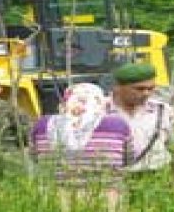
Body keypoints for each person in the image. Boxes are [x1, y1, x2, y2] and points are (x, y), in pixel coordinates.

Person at [31, 83, 133, 212]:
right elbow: (129, 159)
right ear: (100, 102)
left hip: (55, 197)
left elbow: (34, 158)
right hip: (104, 197)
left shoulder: (42, 125)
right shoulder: (117, 124)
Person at [108, 63, 174, 178]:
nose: (146, 93)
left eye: (151, 88)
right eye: (139, 88)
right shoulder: (100, 111)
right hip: (114, 179)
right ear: (118, 87)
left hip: (157, 178)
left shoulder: (163, 111)